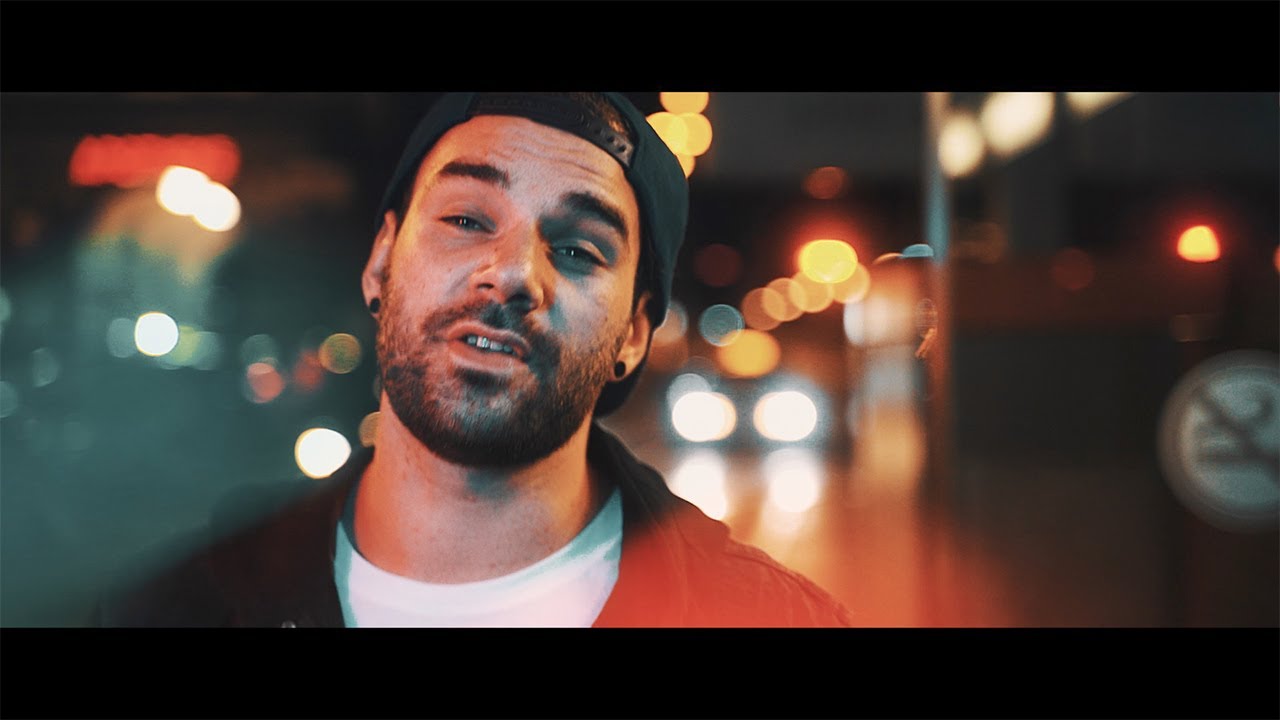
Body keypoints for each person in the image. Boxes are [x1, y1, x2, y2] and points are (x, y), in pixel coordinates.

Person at [98, 92, 856, 627]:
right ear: (381, 262)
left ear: (633, 335)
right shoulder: (174, 607)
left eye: (577, 249)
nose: (514, 272)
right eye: (465, 219)